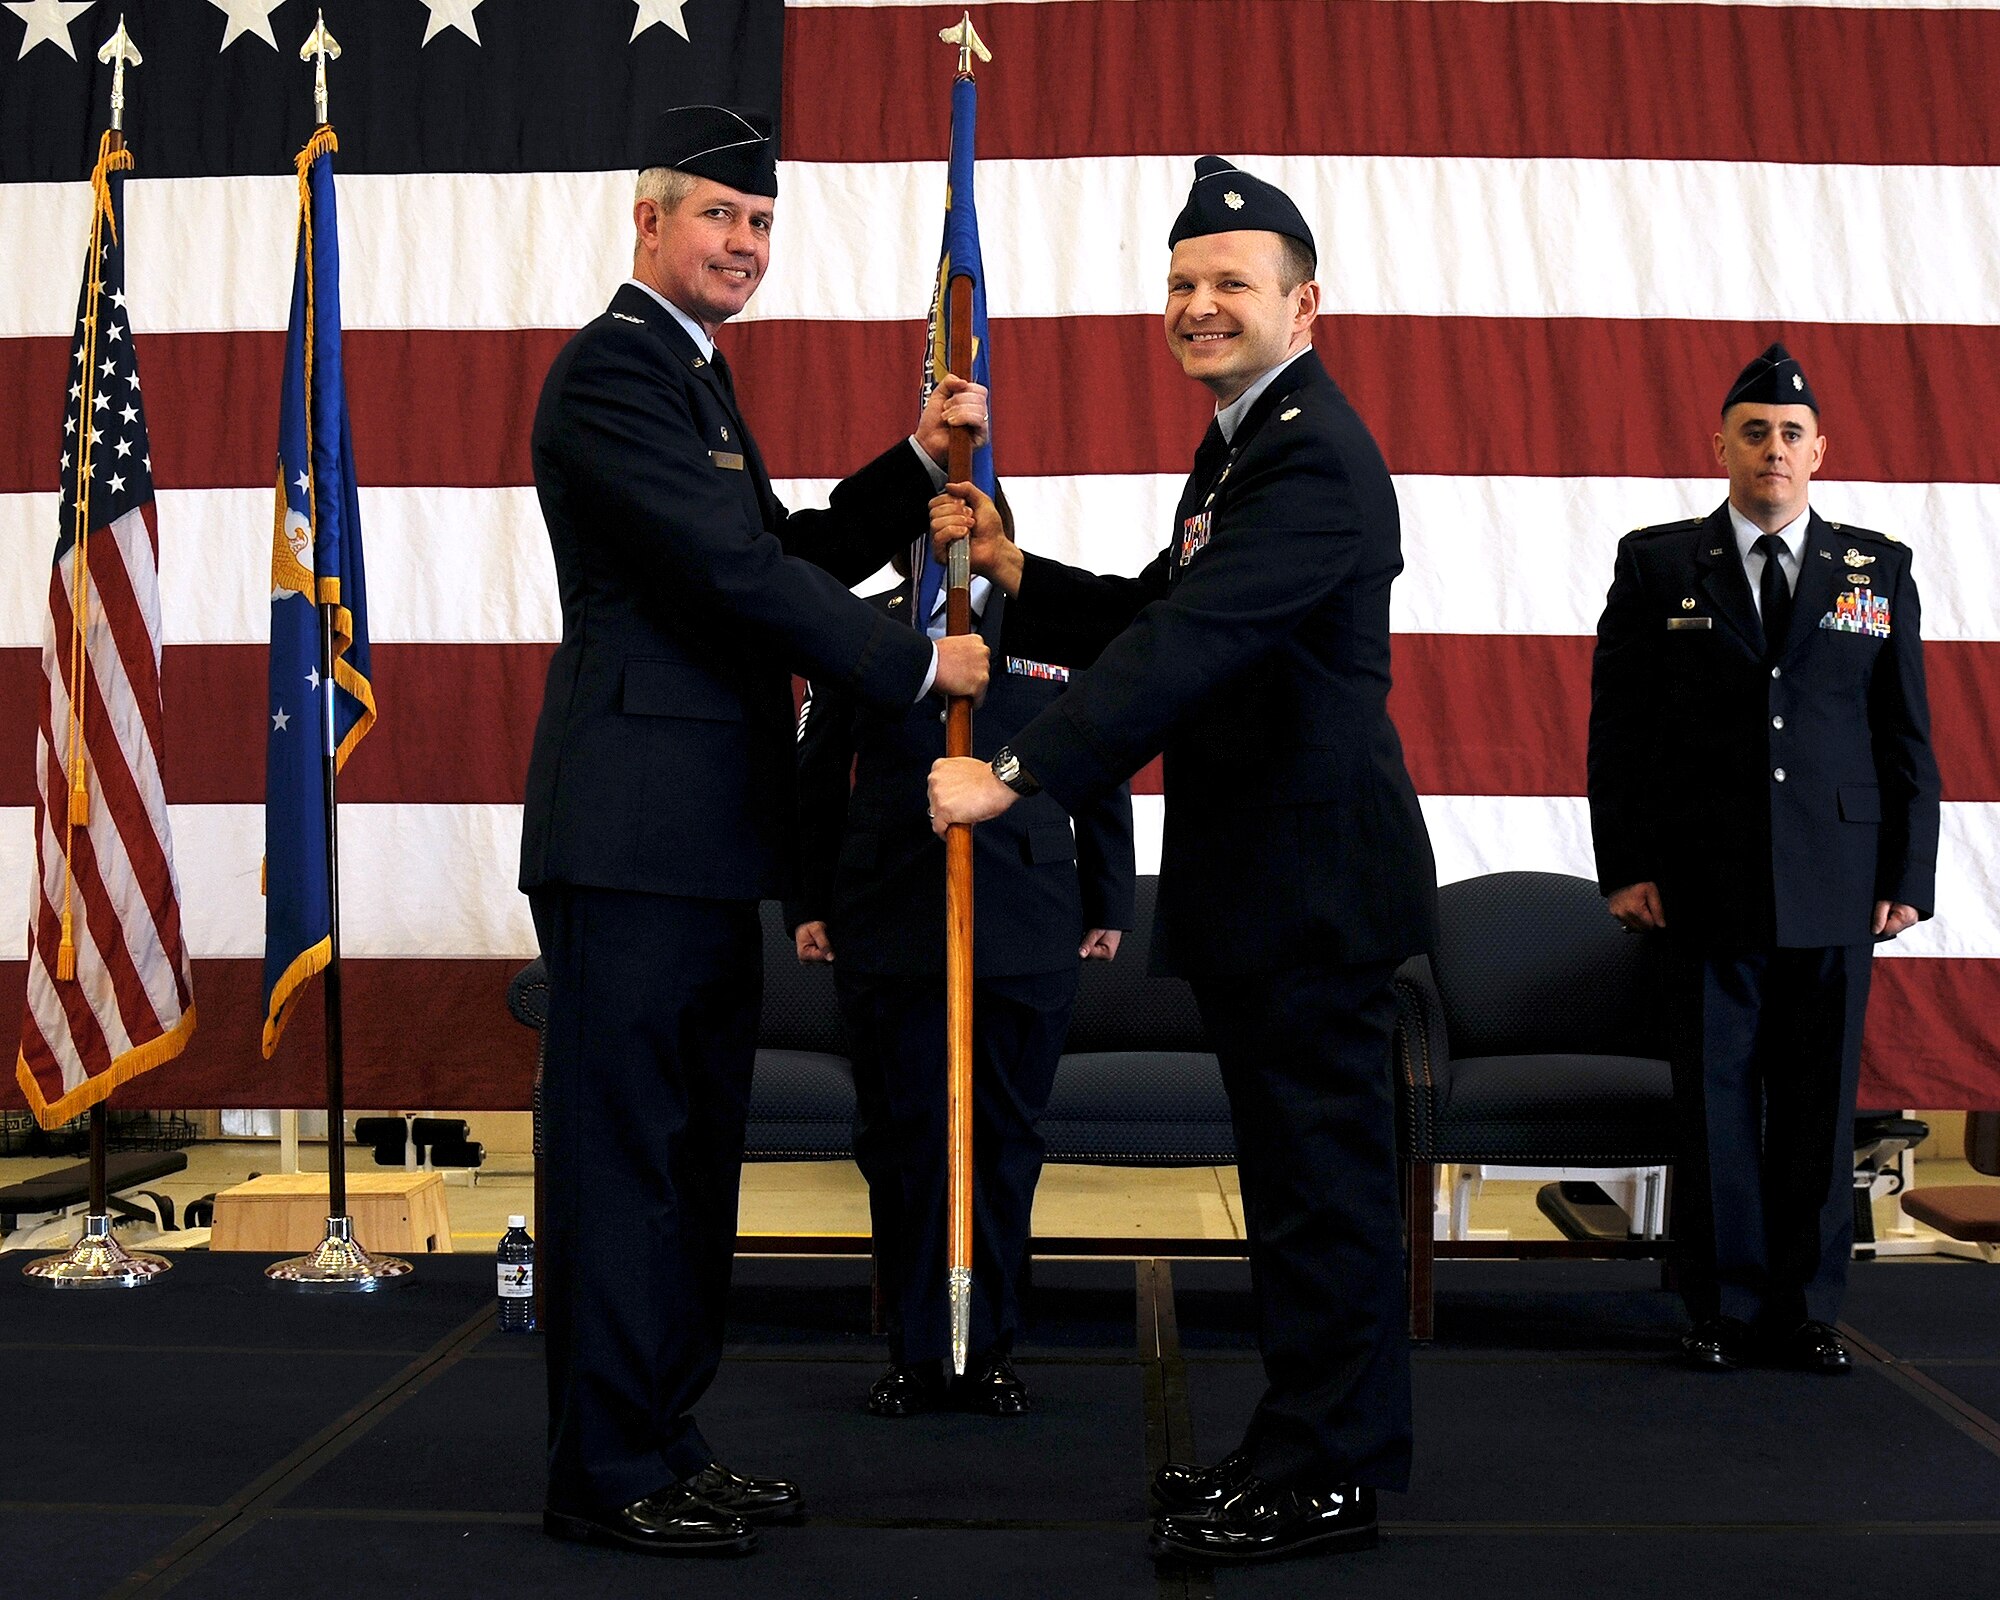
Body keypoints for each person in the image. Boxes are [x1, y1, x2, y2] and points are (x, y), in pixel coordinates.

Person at [926, 157, 1436, 1565]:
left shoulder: (1313, 454)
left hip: (1314, 887)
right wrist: (1028, 580)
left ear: (1305, 304)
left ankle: (1329, 1474)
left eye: (1231, 284)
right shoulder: (1242, 446)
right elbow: (1166, 605)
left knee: (1325, 1196)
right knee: (1292, 1192)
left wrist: (1012, 775)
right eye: (1182, 284)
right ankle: (1299, 1446)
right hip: (1266, 884)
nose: (1199, 306)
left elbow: (1189, 651)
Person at [519, 105, 991, 1559]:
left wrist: (910, 466)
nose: (743, 242)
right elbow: (732, 573)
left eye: (762, 223)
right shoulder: (613, 374)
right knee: (622, 1161)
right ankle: (604, 1470)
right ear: (648, 223)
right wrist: (914, 666)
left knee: (690, 1155)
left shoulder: (696, 382)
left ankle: (668, 1434)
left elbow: (768, 550)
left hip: (702, 835)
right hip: (628, 832)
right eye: (719, 216)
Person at [1587, 343, 1939, 1375]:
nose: (1771, 449)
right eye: (1753, 431)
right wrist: (1624, 865)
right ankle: (1722, 1307)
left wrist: (1906, 876)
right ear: (1720, 445)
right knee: (1714, 1103)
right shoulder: (1657, 564)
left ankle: (1806, 1307)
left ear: (1818, 450)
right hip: (1703, 879)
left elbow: (1903, 735)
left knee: (1817, 1107)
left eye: (1789, 434)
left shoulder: (1876, 570)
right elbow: (1620, 734)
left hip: (1837, 883)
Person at [788, 548, 1135, 1419]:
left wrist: (1108, 896)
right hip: (889, 917)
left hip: (1028, 917)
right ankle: (914, 1352)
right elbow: (818, 774)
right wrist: (807, 900)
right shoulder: (864, 622)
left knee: (1005, 1142)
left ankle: (989, 1352)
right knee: (904, 1142)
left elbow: (1097, 758)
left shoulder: (1053, 616)